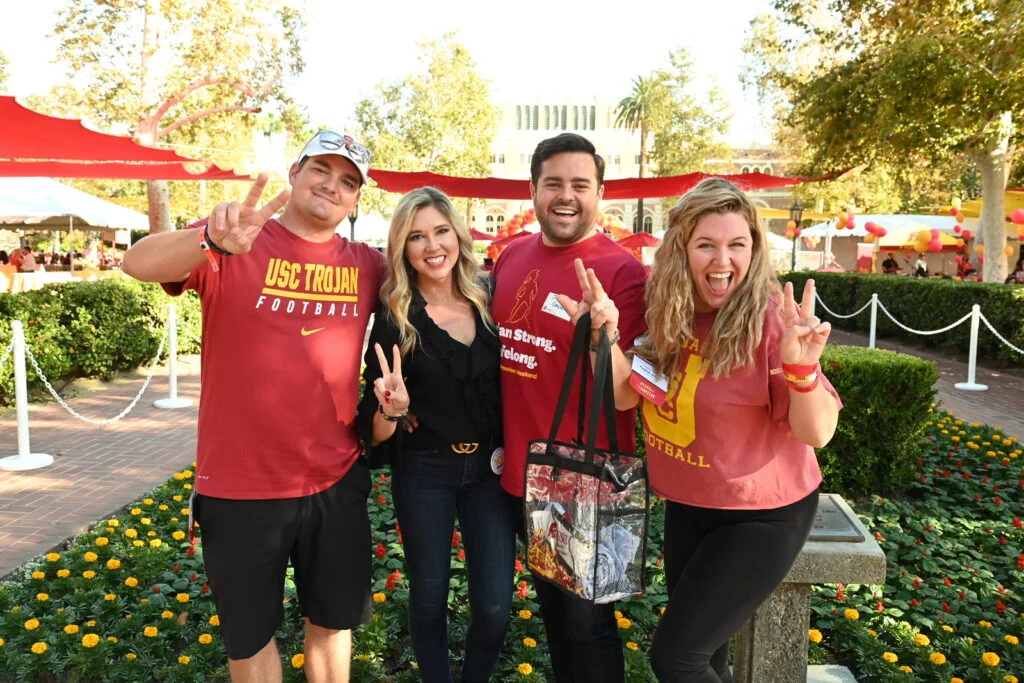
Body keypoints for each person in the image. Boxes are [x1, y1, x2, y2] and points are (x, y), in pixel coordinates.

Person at [121, 130, 384, 683]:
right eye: (322, 171)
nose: (331, 187)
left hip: (334, 480)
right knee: (250, 636)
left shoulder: (367, 265)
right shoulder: (234, 239)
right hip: (240, 486)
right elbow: (137, 263)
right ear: (294, 172)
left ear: (357, 199)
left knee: (333, 626)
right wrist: (211, 243)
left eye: (348, 182)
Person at [563, 177, 842, 682]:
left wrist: (802, 371)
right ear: (681, 249)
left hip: (762, 514)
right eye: (706, 244)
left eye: (737, 244)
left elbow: (817, 432)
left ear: (753, 250)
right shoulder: (666, 310)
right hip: (690, 504)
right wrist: (602, 339)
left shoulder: (769, 321)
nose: (722, 260)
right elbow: (629, 394)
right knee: (706, 656)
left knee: (677, 658)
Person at [490, 133, 648, 682]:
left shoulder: (625, 273)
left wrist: (605, 333)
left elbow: (631, 394)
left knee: (587, 625)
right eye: (553, 183)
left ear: (600, 193)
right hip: (517, 476)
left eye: (580, 184)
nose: (566, 195)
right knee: (556, 616)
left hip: (586, 480)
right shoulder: (511, 257)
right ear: (533, 189)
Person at [357, 187, 513, 683]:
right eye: (417, 236)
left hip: (491, 469)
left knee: (493, 605)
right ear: (402, 248)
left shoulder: (490, 300)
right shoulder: (394, 318)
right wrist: (392, 409)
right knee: (428, 596)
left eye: (441, 231)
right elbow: (375, 430)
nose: (432, 246)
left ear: (458, 235)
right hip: (425, 472)